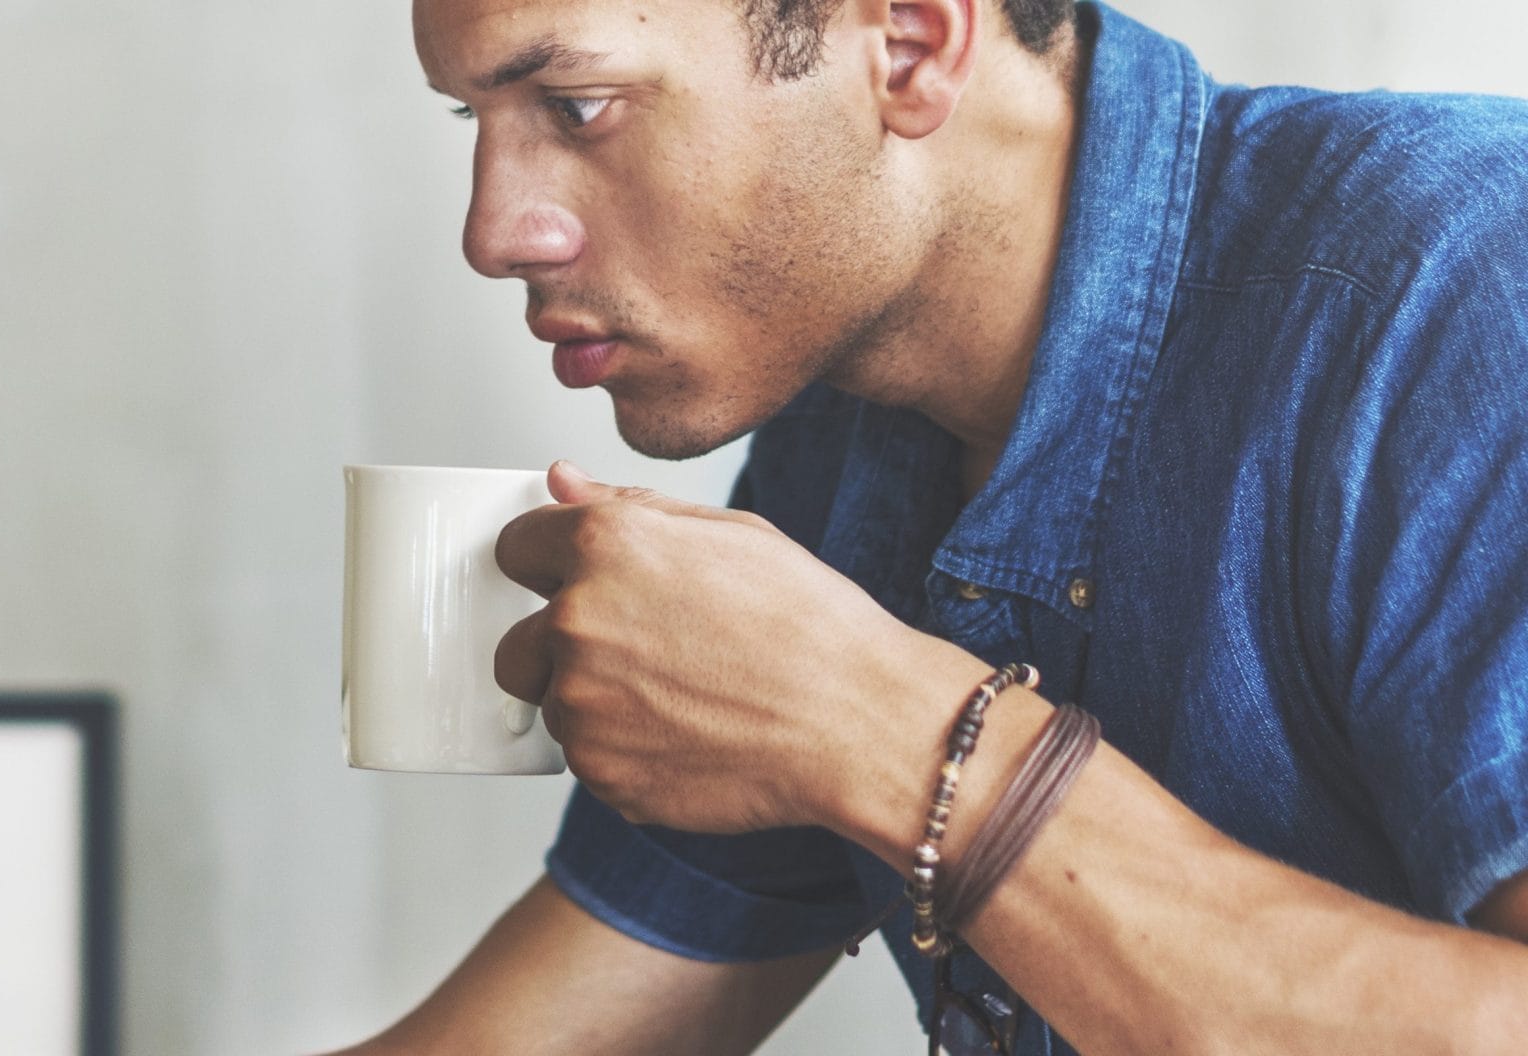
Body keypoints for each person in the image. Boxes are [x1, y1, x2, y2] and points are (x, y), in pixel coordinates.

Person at [330, 0, 1528, 1052]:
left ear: (906, 43)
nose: (493, 234)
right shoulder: (842, 434)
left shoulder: (1464, 282)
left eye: (577, 106)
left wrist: (875, 726)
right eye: (471, 120)